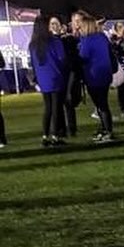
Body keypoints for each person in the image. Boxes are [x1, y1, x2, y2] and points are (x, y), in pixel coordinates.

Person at [29, 13, 68, 147]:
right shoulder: (54, 41)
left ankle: (45, 135)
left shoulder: (33, 45)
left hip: (43, 79)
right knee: (56, 107)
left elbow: (33, 64)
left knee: (48, 107)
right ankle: (55, 136)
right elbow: (62, 59)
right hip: (55, 76)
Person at [77, 14, 117, 143]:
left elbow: (83, 57)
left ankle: (107, 130)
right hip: (105, 74)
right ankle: (106, 129)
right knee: (102, 103)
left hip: (93, 75)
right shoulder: (102, 38)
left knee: (100, 105)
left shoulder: (87, 40)